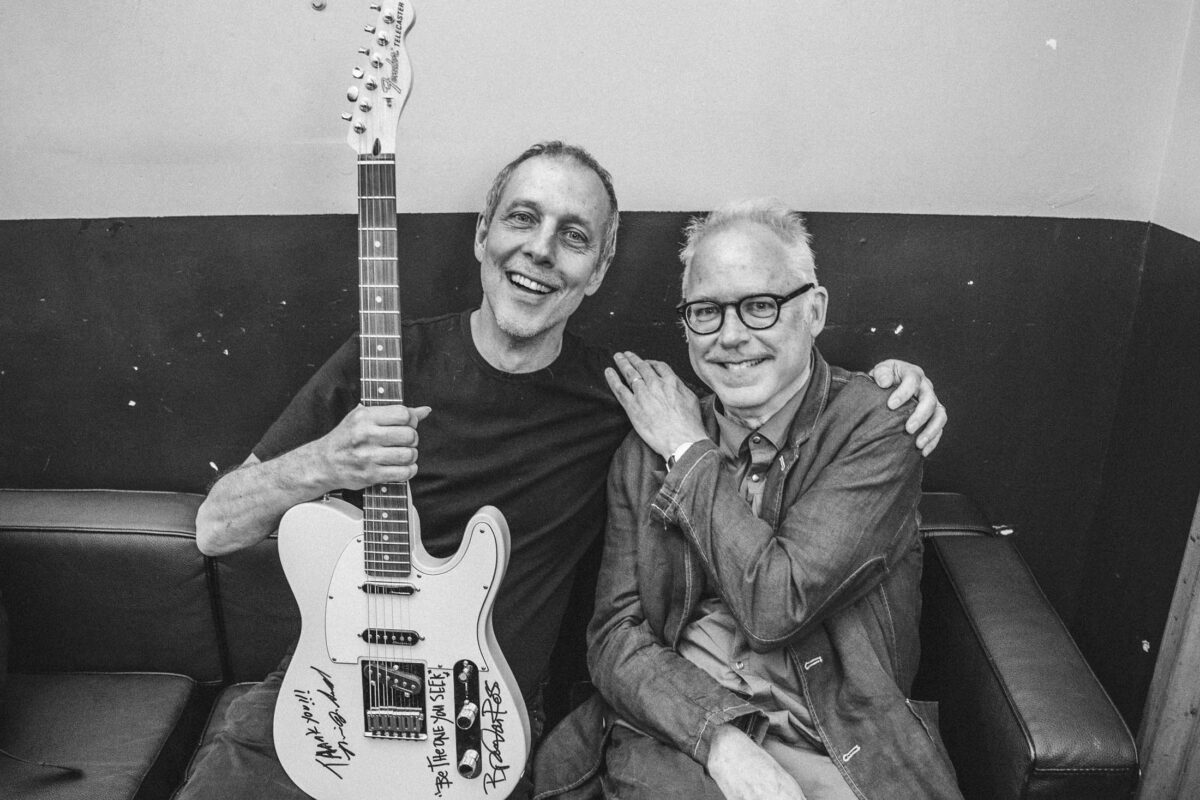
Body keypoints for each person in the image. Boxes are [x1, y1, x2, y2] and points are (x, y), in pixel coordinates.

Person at [182, 145, 947, 800]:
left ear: (599, 268)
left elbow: (768, 460)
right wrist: (321, 460)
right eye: (521, 219)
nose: (541, 251)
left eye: (573, 236)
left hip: (474, 718)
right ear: (482, 234)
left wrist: (890, 390)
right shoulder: (381, 363)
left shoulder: (629, 409)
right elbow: (215, 529)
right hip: (325, 688)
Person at [532, 199, 963, 800]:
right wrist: (720, 741)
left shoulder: (877, 424)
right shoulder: (646, 442)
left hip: (836, 744)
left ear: (814, 311)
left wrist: (688, 450)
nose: (731, 337)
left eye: (761, 306)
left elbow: (777, 605)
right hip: (677, 733)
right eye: (706, 312)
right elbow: (614, 637)